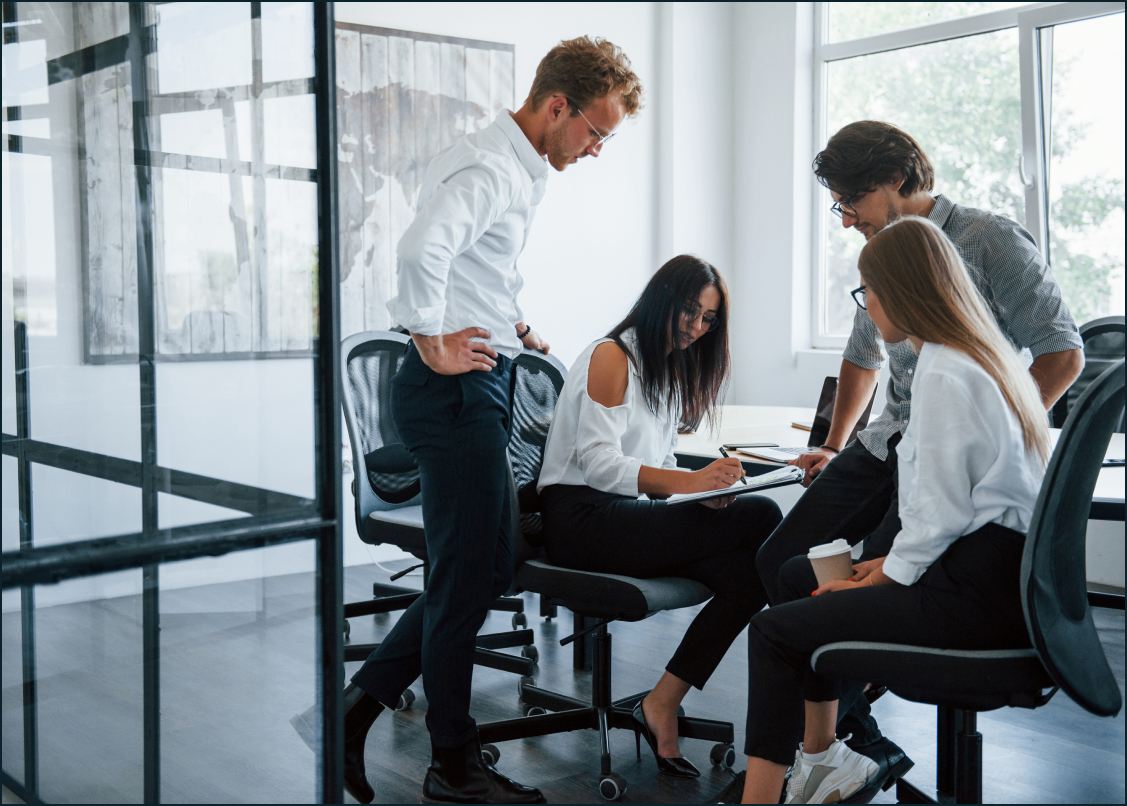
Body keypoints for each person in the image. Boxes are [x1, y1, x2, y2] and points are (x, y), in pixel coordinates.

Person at [322, 37, 643, 804]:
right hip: (454, 396)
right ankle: (452, 764)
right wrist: (429, 336)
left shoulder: (514, 165)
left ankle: (358, 706)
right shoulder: (492, 166)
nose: (596, 150)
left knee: (488, 567)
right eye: (594, 132)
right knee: (467, 581)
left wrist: (511, 325)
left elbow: (470, 265)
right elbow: (421, 253)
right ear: (556, 106)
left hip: (479, 381)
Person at [752, 120, 1084, 796]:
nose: (846, 219)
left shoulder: (975, 264)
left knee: (810, 607)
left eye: (852, 202)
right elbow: (861, 357)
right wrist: (834, 445)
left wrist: (889, 571)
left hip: (954, 495)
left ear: (896, 181)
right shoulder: (906, 283)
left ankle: (824, 753)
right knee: (786, 565)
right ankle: (834, 754)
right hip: (899, 448)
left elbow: (1061, 352)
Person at [537, 255, 784, 777]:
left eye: (708, 319)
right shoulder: (611, 356)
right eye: (689, 312)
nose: (697, 327)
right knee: (761, 514)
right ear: (662, 302)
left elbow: (661, 462)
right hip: (581, 518)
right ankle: (807, 678)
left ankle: (662, 701)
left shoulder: (667, 366)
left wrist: (697, 499)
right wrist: (690, 485)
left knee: (747, 573)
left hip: (629, 514)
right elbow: (601, 467)